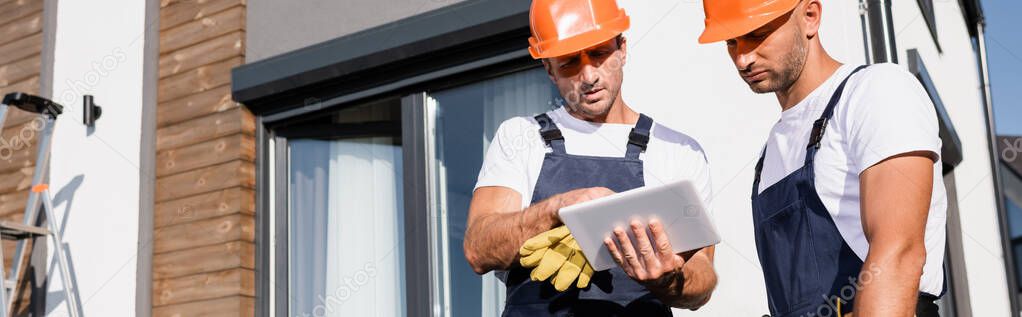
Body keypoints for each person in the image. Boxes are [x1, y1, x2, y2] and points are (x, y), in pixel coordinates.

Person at [462, 0, 717, 315]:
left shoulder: (677, 151)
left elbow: (702, 277)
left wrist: (666, 279)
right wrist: (559, 209)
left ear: (622, 48)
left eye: (598, 54)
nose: (588, 76)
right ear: (549, 69)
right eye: (569, 61)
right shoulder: (520, 137)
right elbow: (478, 248)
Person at [697, 0, 947, 316]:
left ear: (811, 17)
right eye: (731, 42)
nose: (743, 58)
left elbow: (899, 254)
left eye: (757, 34)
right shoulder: (771, 150)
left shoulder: (876, 92)